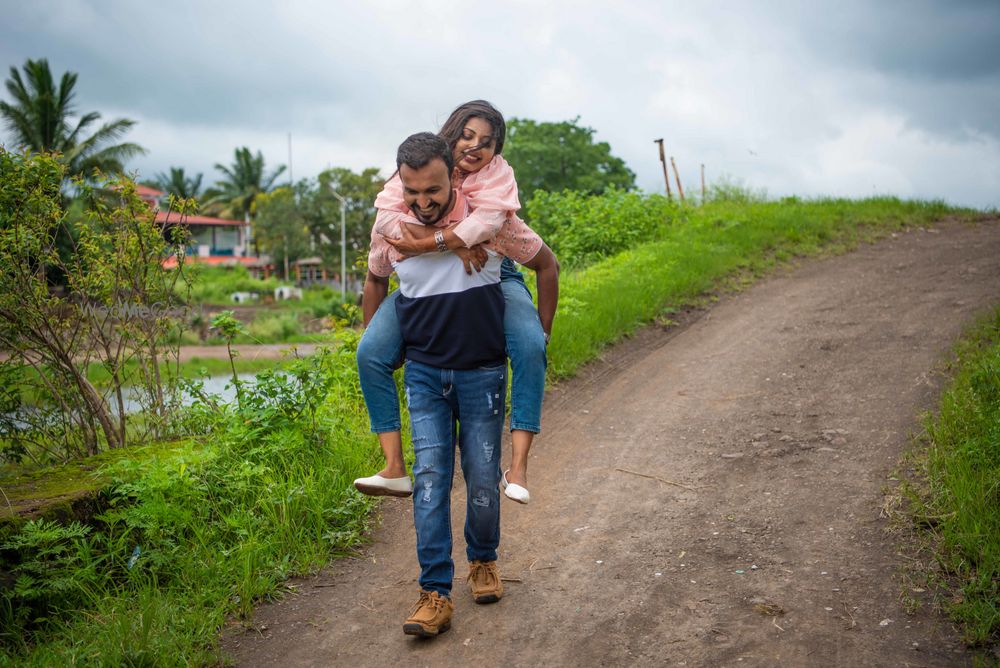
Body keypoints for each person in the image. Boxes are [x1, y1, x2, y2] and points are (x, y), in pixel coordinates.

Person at [354, 100, 558, 504]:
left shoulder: (494, 191)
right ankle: (393, 466)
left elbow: (528, 252)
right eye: (466, 135)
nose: (474, 147)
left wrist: (544, 330)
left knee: (531, 346)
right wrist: (452, 245)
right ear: (452, 133)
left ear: (496, 151)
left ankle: (518, 467)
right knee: (369, 352)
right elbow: (386, 228)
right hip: (425, 284)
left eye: (486, 142)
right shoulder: (419, 174)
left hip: (495, 276)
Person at [368, 132, 514, 636]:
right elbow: (374, 280)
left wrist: (536, 339)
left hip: (482, 372)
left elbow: (538, 257)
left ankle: (484, 560)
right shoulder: (391, 233)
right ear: (400, 184)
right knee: (429, 482)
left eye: (433, 190)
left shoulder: (485, 222)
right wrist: (376, 345)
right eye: (412, 192)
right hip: (426, 375)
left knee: (481, 479)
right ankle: (434, 592)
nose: (423, 203)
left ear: (453, 176)